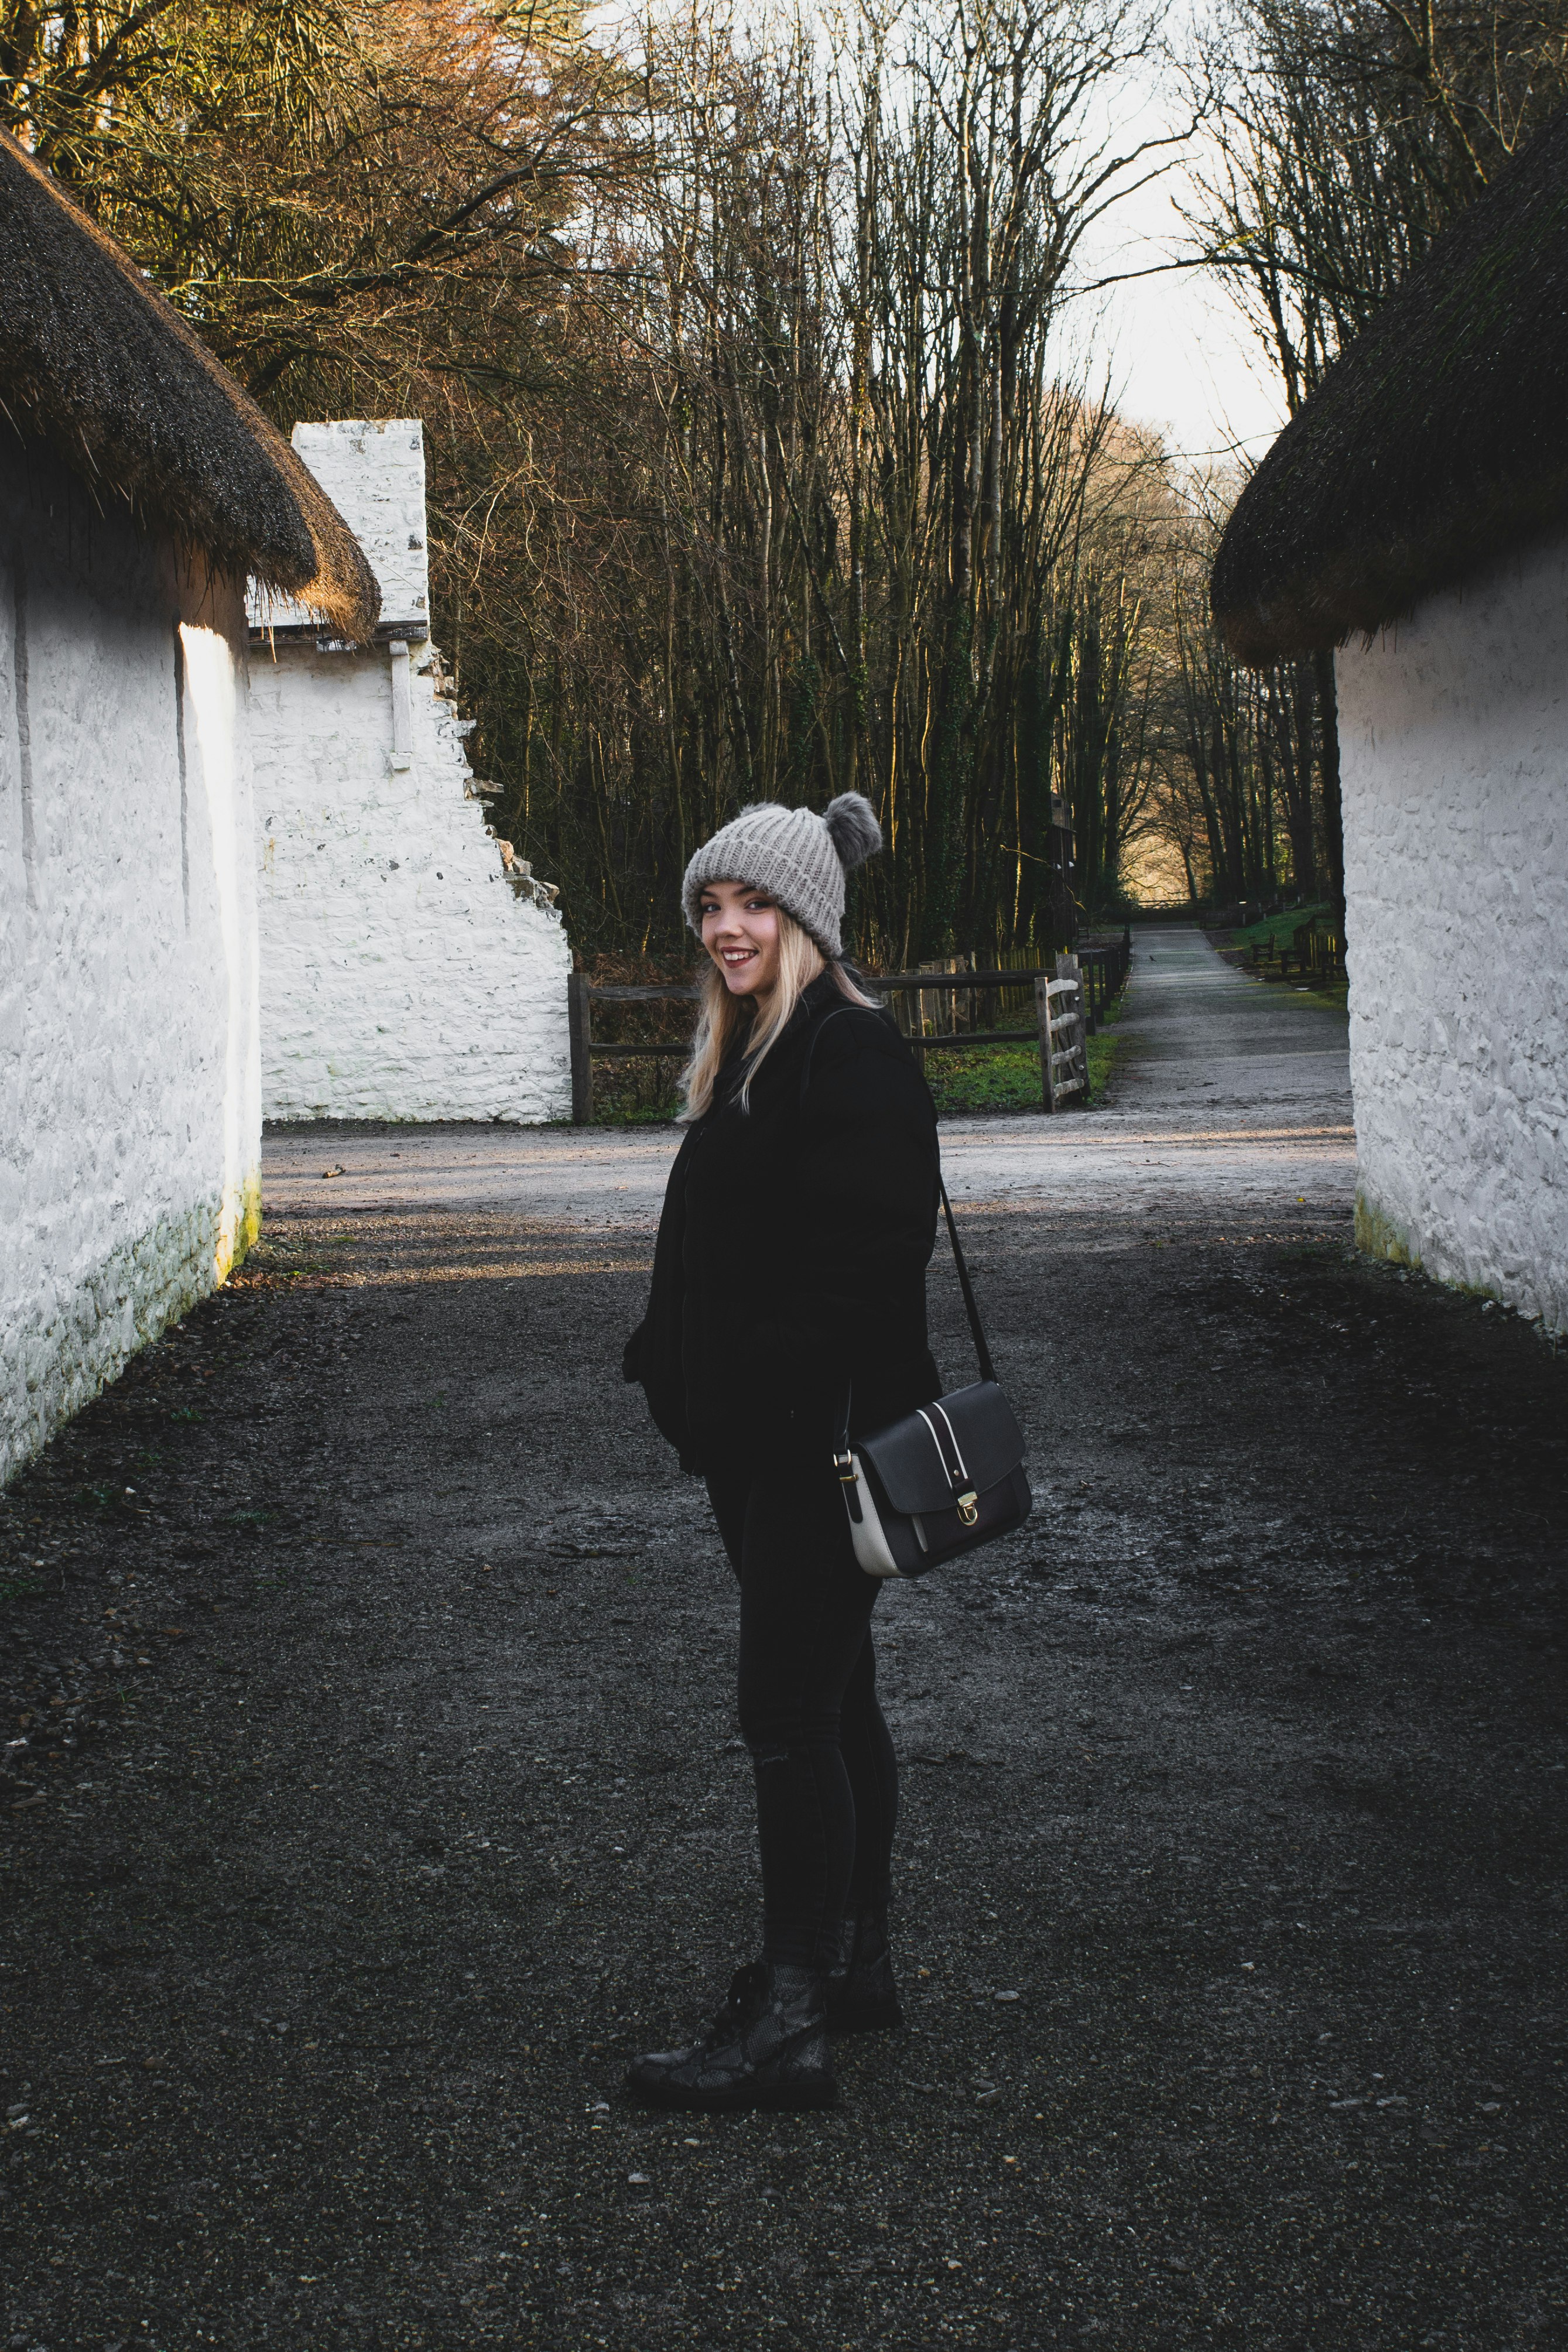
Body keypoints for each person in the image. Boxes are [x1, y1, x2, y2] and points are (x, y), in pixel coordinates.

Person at [620, 794, 941, 2113]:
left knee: (787, 1714)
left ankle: (789, 2015)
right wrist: (673, 1363)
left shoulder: (850, 1054)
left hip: (817, 1450)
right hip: (764, 1449)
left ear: (806, 916)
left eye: (753, 903)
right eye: (711, 904)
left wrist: (747, 1386)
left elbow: (863, 1275)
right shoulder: (761, 1042)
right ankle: (853, 1961)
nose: (727, 925)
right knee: (835, 1697)